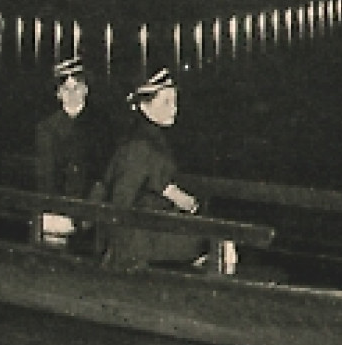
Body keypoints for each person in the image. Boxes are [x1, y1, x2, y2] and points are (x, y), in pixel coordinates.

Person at [94, 66, 213, 270]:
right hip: (136, 242)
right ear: (144, 106)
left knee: (210, 237)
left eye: (175, 101)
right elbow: (121, 201)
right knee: (211, 240)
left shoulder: (150, 137)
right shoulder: (139, 144)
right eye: (166, 102)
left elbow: (155, 180)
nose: (174, 108)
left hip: (148, 231)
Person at [33, 55, 105, 198]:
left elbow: (105, 170)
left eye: (76, 88)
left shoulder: (100, 124)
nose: (72, 94)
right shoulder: (47, 128)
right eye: (66, 89)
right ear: (58, 94)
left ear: (86, 90)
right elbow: (47, 176)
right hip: (60, 202)